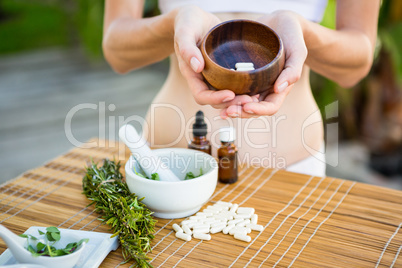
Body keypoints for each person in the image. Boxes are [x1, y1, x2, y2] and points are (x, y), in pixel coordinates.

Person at [102, 0, 380, 177]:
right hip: (167, 167)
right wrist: (174, 25)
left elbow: (358, 61)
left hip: (293, 171)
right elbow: (116, 49)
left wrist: (301, 32)